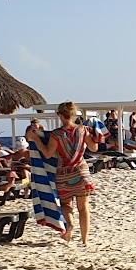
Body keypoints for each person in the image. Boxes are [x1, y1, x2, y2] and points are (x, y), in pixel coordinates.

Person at [48, 101, 102, 245]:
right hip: (81, 171)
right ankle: (84, 240)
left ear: (60, 115)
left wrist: (35, 139)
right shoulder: (83, 130)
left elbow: (48, 154)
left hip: (64, 173)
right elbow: (94, 148)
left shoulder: (56, 134)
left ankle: (70, 225)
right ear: (72, 115)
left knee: (66, 205)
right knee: (83, 208)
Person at [25, 120, 65, 234]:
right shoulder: (76, 132)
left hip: (54, 169)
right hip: (62, 169)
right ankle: (67, 227)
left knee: (62, 200)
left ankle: (65, 226)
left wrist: (37, 137)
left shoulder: (50, 135)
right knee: (64, 202)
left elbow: (47, 153)